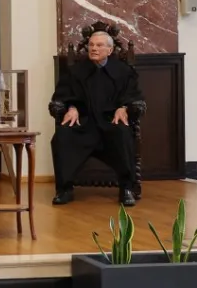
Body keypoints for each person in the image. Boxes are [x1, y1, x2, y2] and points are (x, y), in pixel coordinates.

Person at [49, 30, 144, 207]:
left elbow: (134, 96)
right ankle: (64, 189)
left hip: (111, 122)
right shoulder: (75, 71)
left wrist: (124, 108)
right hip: (83, 122)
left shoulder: (124, 72)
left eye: (99, 45)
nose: (94, 49)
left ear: (110, 50)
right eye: (91, 45)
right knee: (63, 136)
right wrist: (71, 108)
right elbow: (61, 97)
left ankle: (127, 188)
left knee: (123, 134)